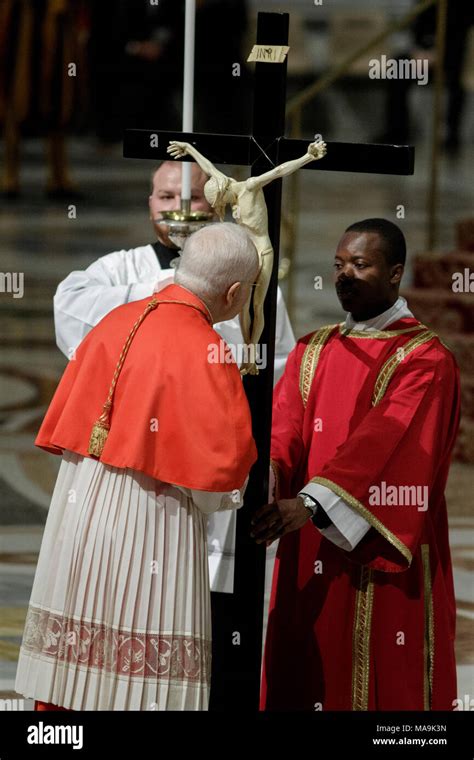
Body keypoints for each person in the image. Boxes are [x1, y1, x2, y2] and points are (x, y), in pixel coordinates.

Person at [15, 223, 259, 711]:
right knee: (142, 671)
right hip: (156, 523)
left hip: (79, 510)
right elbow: (219, 476)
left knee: (77, 657)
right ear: (234, 293)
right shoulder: (207, 350)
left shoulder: (111, 322)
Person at [54, 159, 295, 594]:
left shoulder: (249, 282)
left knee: (211, 600)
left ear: (217, 201)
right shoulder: (119, 270)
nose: (178, 208)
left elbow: (278, 369)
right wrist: (177, 286)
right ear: (150, 203)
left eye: (194, 197)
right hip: (135, 458)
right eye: (166, 197)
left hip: (211, 451)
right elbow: (71, 313)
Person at [252, 218, 460, 711]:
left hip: (387, 541)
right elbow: (285, 431)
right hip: (306, 541)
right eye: (339, 265)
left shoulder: (427, 359)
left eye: (361, 265)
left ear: (395, 273)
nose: (344, 275)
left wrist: (310, 503)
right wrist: (265, 476)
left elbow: (385, 443)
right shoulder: (313, 349)